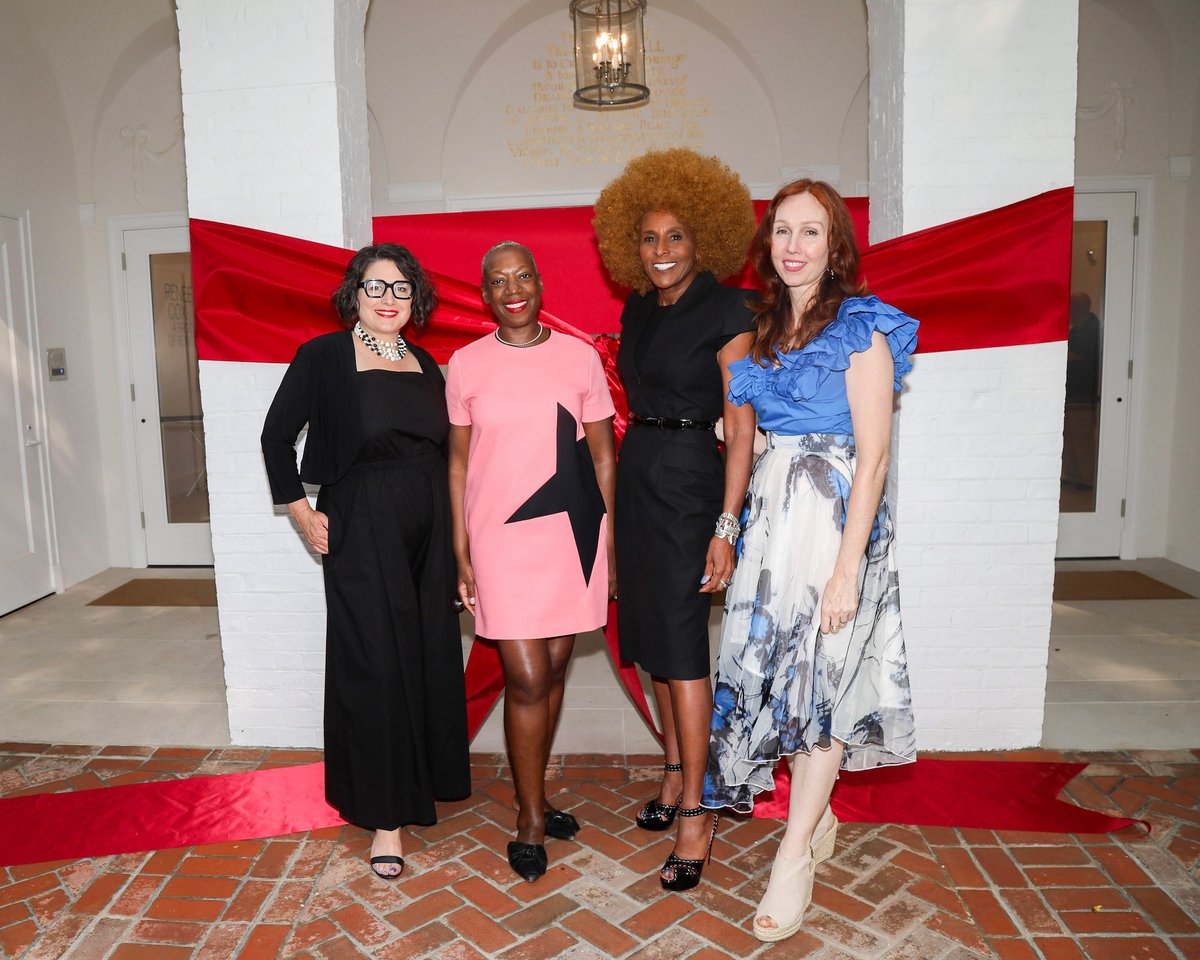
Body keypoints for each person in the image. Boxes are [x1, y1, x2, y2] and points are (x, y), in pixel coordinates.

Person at [702, 180, 918, 942]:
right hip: (773, 532)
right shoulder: (764, 330)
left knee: (821, 685)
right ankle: (812, 820)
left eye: (811, 233)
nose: (794, 246)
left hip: (832, 530)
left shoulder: (862, 326)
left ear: (835, 248)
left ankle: (794, 854)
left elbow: (874, 455)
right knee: (778, 681)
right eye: (783, 232)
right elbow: (770, 432)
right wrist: (752, 450)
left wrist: (847, 569)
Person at [261, 243, 471, 880]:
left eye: (401, 289)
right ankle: (384, 818)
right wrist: (301, 511)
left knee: (427, 651)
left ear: (417, 300)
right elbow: (276, 436)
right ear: (354, 293)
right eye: (376, 287)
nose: (388, 300)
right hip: (362, 522)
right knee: (375, 663)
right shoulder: (322, 357)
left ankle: (422, 779)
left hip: (428, 523)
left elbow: (450, 452)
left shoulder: (427, 362)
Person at [592, 148, 758, 890]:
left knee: (685, 641)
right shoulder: (634, 307)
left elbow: (741, 423)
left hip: (694, 482)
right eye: (649, 239)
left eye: (676, 238)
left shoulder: (730, 310)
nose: (661, 252)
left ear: (705, 241)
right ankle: (671, 769)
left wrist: (727, 525)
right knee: (653, 637)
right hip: (639, 478)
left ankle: (699, 806)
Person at [446, 241, 617, 883]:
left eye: (522, 277)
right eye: (498, 281)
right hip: (498, 540)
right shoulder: (465, 365)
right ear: (485, 294)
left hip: (569, 535)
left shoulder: (579, 358)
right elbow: (458, 463)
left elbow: (603, 454)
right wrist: (460, 547)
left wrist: (606, 537)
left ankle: (538, 793)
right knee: (524, 679)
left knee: (552, 669)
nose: (512, 289)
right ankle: (528, 819)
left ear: (540, 284)